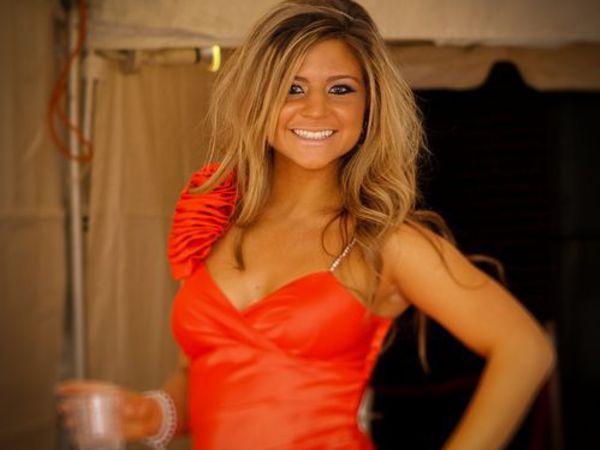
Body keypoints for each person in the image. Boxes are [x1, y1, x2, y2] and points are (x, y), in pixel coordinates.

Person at [56, 1, 556, 449]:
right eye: (292, 87)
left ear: (369, 106)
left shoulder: (386, 242)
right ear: (258, 99)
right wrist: (151, 414)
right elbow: (207, 372)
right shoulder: (211, 218)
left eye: (340, 89)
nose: (316, 109)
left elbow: (525, 349)